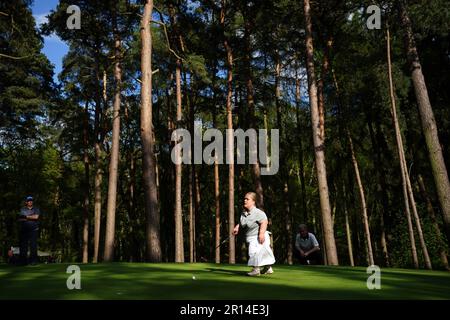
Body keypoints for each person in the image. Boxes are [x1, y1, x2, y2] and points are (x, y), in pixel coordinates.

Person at [233, 192, 276, 276]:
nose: (245, 200)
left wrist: (261, 234)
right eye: (244, 199)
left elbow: (264, 222)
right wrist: (237, 227)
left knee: (253, 252)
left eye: (247, 199)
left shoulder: (258, 212)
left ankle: (256, 270)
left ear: (253, 201)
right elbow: (243, 222)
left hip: (258, 236)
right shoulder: (244, 213)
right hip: (251, 237)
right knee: (262, 253)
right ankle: (268, 268)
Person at [18, 196, 41, 265]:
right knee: (23, 246)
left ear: (32, 202)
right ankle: (23, 261)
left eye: (31, 200)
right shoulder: (23, 209)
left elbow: (36, 217)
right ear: (26, 202)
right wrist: (32, 216)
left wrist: (26, 217)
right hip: (24, 229)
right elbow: (21, 219)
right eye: (29, 201)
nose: (30, 202)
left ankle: (33, 261)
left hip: (34, 229)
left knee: (33, 246)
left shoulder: (36, 209)